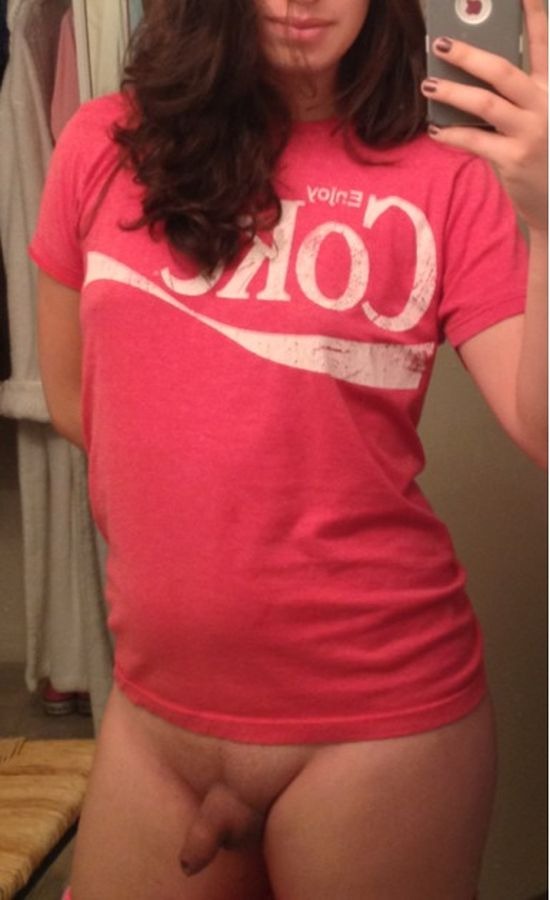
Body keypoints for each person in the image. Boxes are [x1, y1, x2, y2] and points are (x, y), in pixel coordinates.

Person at [30, 0, 547, 898]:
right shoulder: (100, 145)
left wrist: (548, 219)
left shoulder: (450, 173)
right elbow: (82, 404)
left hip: (379, 734)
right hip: (155, 725)